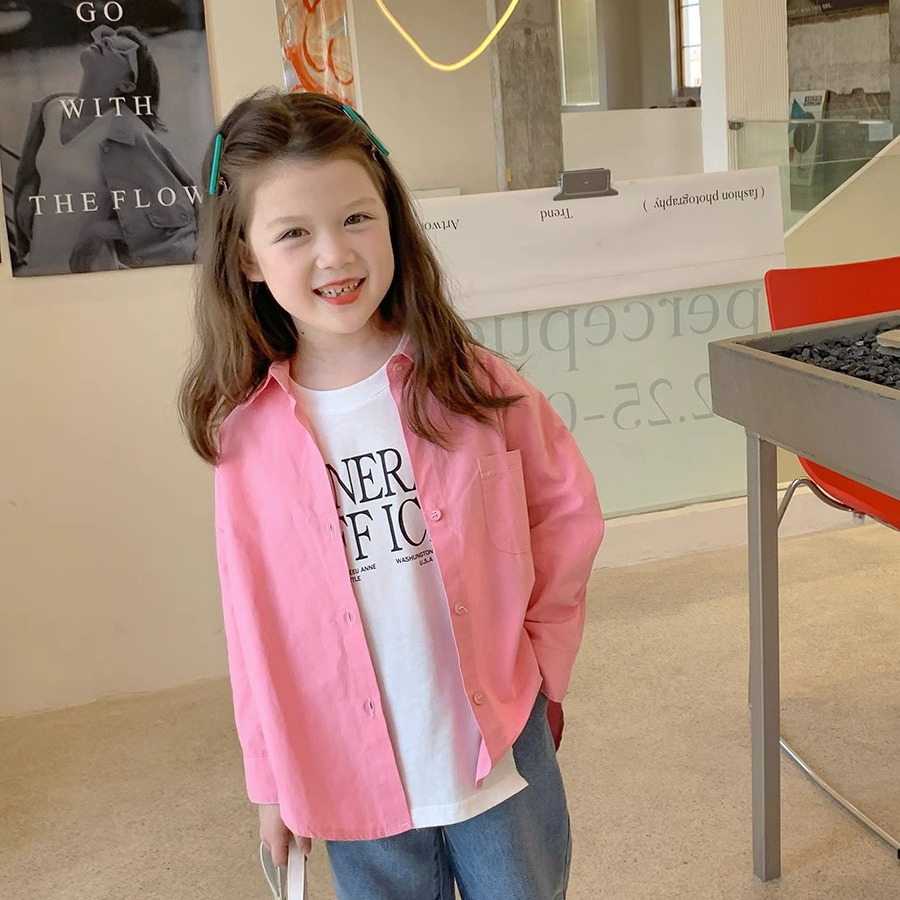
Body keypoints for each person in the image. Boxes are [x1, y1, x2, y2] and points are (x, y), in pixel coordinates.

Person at [178, 89, 604, 900]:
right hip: (343, 763)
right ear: (246, 258)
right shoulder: (246, 437)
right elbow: (252, 623)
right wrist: (270, 781)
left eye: (356, 219)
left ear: (392, 222)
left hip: (495, 736)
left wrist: (546, 663)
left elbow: (565, 513)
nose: (335, 255)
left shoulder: (472, 383)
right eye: (293, 233)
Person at [12, 24, 198, 275]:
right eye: (108, 38)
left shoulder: (125, 131)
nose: (107, 42)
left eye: (122, 51)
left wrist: (101, 231)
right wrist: (27, 194)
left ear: (127, 84)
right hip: (37, 268)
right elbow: (35, 174)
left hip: (90, 276)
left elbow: (178, 214)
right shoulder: (51, 110)